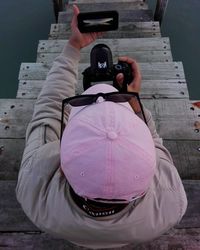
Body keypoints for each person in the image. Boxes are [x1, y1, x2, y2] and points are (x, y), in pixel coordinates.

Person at [16, 5, 187, 249]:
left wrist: (73, 46)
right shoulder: (172, 205)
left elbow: (49, 109)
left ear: (62, 167)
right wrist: (133, 102)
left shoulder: (33, 191)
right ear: (149, 169)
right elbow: (156, 143)